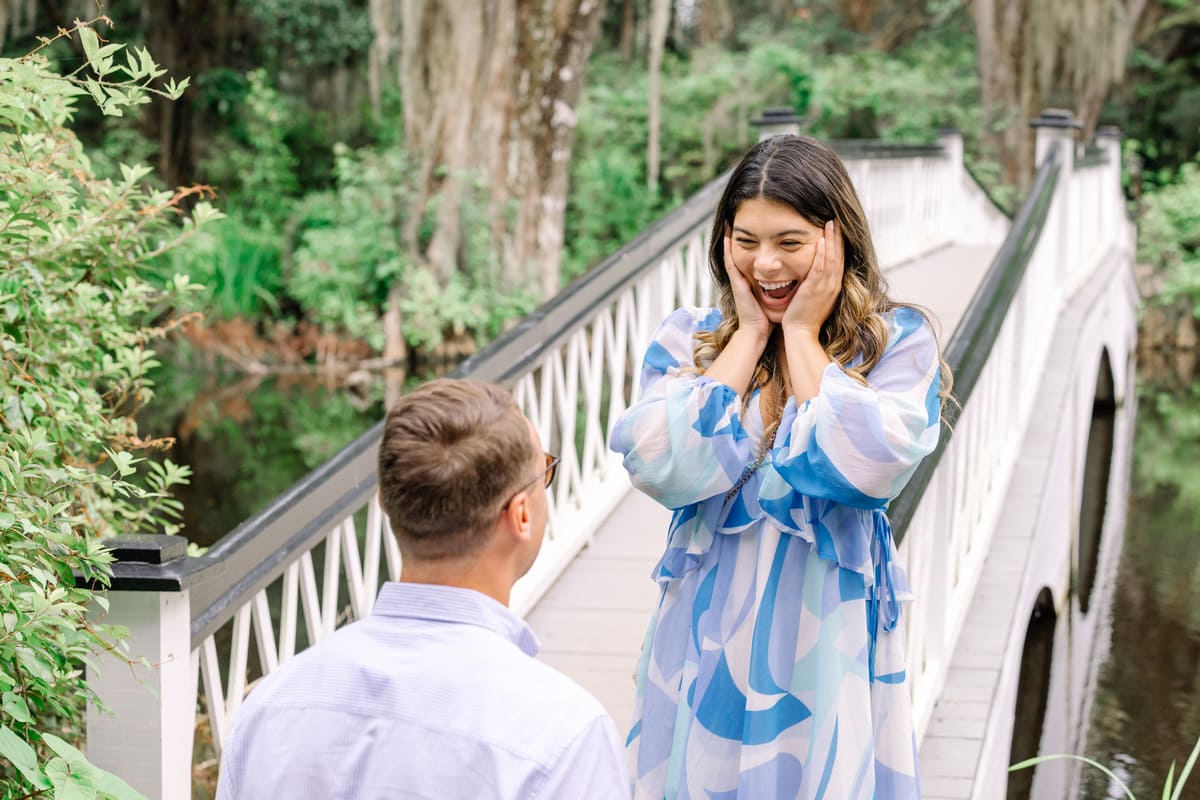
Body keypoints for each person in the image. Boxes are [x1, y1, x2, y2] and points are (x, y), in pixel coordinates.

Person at [609, 134, 950, 798]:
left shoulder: (897, 346)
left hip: (825, 640)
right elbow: (656, 459)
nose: (765, 264)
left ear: (837, 239)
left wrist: (799, 335)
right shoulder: (689, 339)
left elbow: (871, 464)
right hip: (707, 630)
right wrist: (751, 337)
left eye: (790, 243)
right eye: (747, 240)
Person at [217, 378, 630, 799]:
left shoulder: (271, 707)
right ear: (521, 514)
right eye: (544, 470)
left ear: (384, 501)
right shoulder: (562, 736)